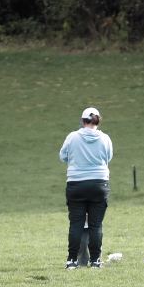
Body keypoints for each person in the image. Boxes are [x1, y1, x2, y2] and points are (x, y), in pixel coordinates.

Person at [59, 107, 113, 269]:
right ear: (98, 121)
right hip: (99, 184)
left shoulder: (72, 137)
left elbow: (62, 157)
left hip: (76, 184)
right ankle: (95, 260)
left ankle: (72, 261)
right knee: (96, 225)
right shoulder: (105, 138)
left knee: (76, 224)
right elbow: (108, 157)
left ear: (83, 121)